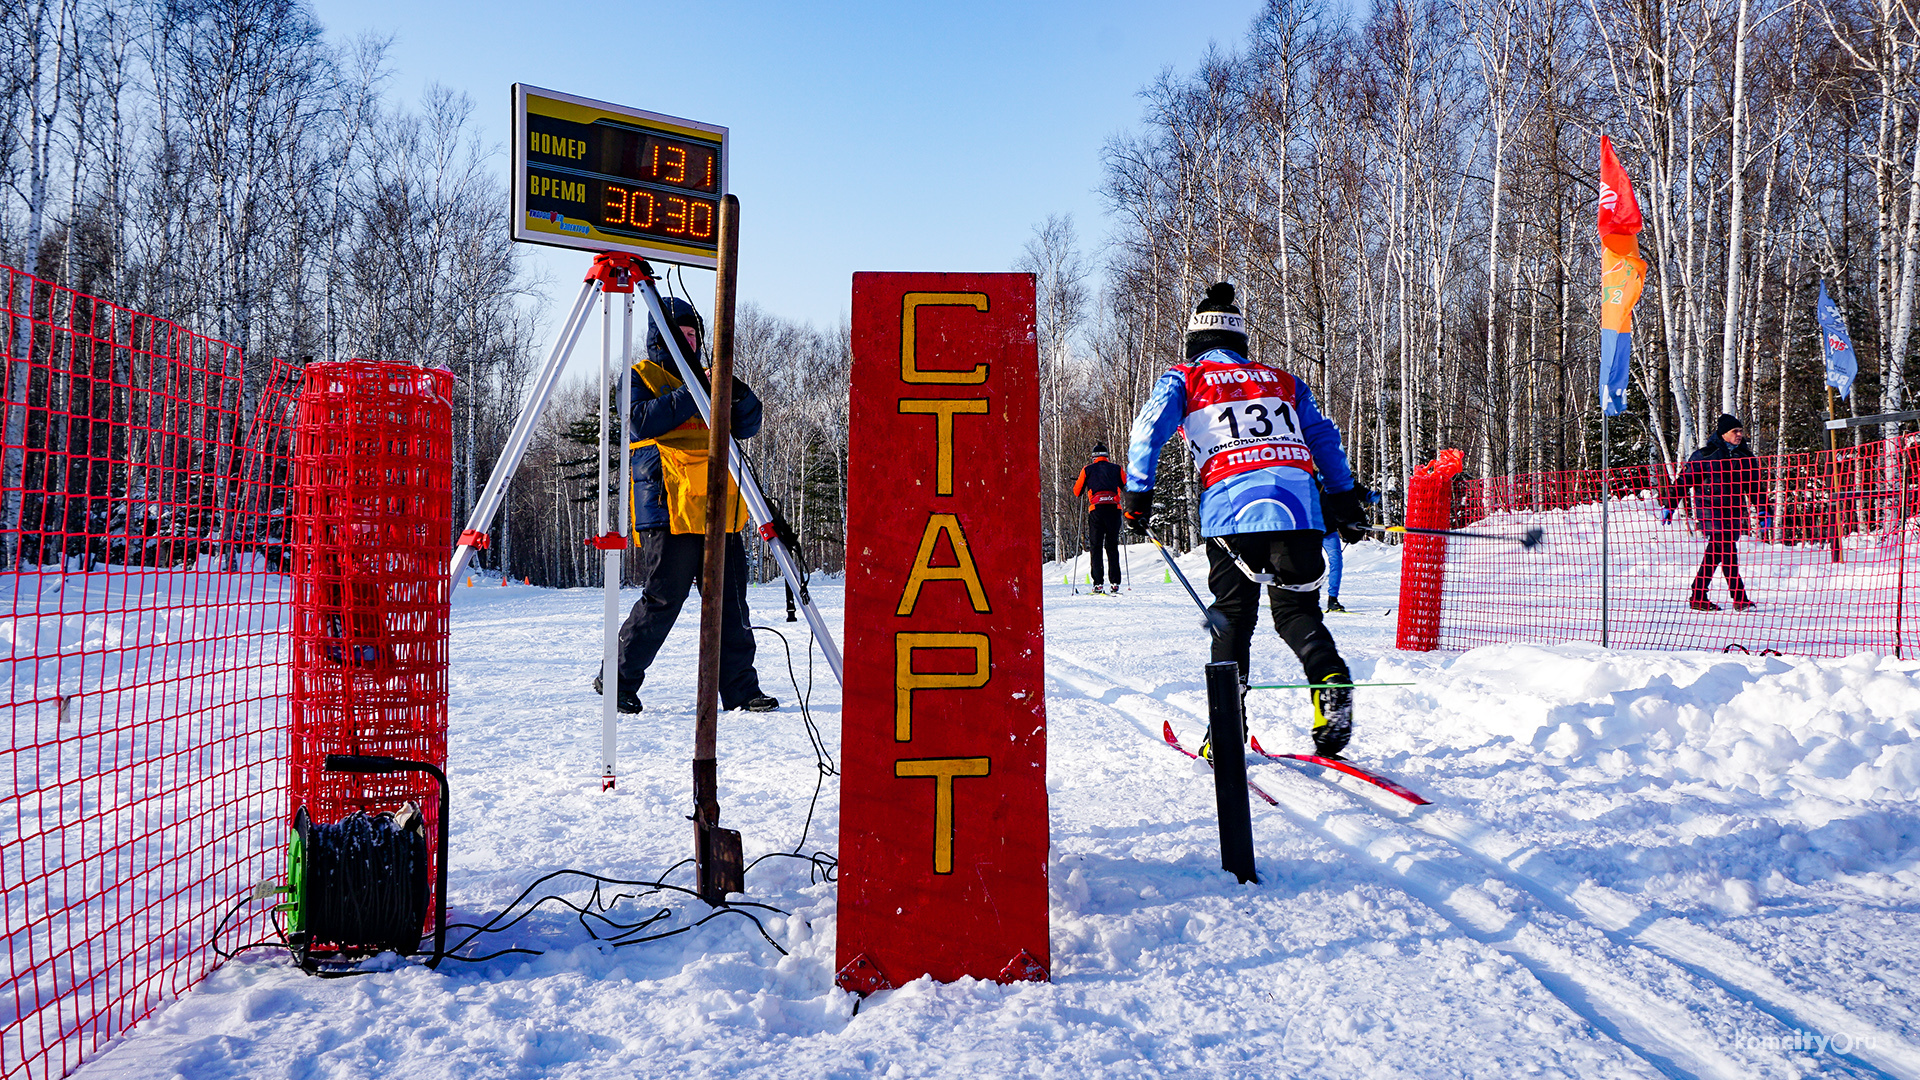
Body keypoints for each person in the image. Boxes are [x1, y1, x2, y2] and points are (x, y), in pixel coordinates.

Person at [1124, 282, 1368, 758]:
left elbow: (1147, 430)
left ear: (1196, 342)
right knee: (1298, 613)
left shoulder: (1184, 377)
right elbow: (1324, 438)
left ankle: (1227, 732)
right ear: (1239, 341)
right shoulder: (1282, 380)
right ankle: (1330, 679)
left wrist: (1138, 494)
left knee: (1232, 618)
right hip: (1299, 507)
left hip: (1233, 507)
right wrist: (1344, 499)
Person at [592, 296, 778, 714]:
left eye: (695, 335)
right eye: (682, 334)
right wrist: (698, 391)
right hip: (667, 507)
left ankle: (741, 689)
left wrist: (733, 389)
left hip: (719, 507)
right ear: (661, 338)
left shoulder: (712, 378)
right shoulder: (639, 376)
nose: (690, 342)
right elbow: (639, 420)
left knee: (731, 602)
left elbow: (749, 422)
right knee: (662, 599)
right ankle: (617, 679)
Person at [1662, 413, 1768, 612]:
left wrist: (1762, 509)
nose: (1739, 435)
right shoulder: (1705, 455)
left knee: (1718, 551)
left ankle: (1699, 595)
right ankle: (1738, 598)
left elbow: (1754, 488)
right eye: (1734, 431)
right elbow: (1684, 482)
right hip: (1710, 510)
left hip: (1734, 511)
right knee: (1726, 549)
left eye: (1740, 431)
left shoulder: (1745, 457)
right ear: (1723, 434)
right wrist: (1670, 504)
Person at [1073, 443, 1125, 594]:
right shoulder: (1117, 468)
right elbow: (1127, 486)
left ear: (1093, 457)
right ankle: (1115, 582)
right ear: (1107, 456)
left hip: (1096, 510)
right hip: (1114, 509)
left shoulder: (1087, 469)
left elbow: (1077, 491)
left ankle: (1098, 584)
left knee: (1096, 547)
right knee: (1112, 546)